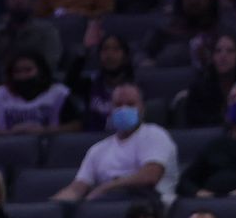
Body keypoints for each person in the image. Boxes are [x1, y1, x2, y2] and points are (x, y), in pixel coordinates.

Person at [51, 83, 180, 202]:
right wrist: (52, 205)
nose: (124, 109)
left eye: (130, 104)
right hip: (109, 206)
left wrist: (105, 188)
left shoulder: (154, 134)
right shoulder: (98, 149)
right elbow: (77, 188)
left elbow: (150, 176)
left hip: (151, 206)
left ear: (142, 108)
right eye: (118, 105)